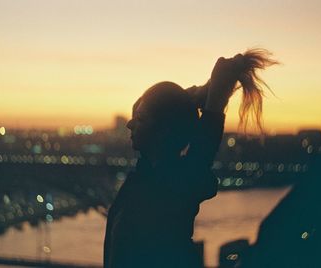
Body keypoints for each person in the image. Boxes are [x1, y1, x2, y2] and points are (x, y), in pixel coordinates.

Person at [103, 55, 245, 268]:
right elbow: (145, 107)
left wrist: (210, 102)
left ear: (164, 132)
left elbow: (204, 143)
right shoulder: (150, 176)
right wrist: (193, 96)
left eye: (140, 120)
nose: (130, 124)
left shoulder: (172, 187)